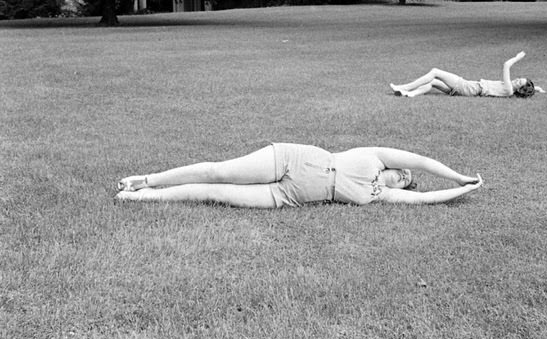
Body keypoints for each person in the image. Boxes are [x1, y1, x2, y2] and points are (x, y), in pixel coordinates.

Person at [115, 143, 483, 208]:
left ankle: (142, 197)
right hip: (293, 160)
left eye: (405, 180)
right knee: (219, 170)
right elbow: (421, 160)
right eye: (403, 173)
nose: (404, 176)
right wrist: (459, 174)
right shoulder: (374, 156)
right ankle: (146, 179)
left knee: (216, 192)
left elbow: (426, 198)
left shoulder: (380, 196)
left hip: (288, 196)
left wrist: (461, 191)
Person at [390, 51, 544, 98]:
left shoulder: (509, 89)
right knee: (433, 83)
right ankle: (409, 94)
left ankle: (403, 87)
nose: (516, 80)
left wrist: (517, 58)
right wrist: (537, 89)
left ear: (519, 88)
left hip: (469, 87)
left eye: (519, 82)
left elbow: (506, 65)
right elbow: (527, 89)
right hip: (468, 90)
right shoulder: (510, 90)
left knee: (435, 71)